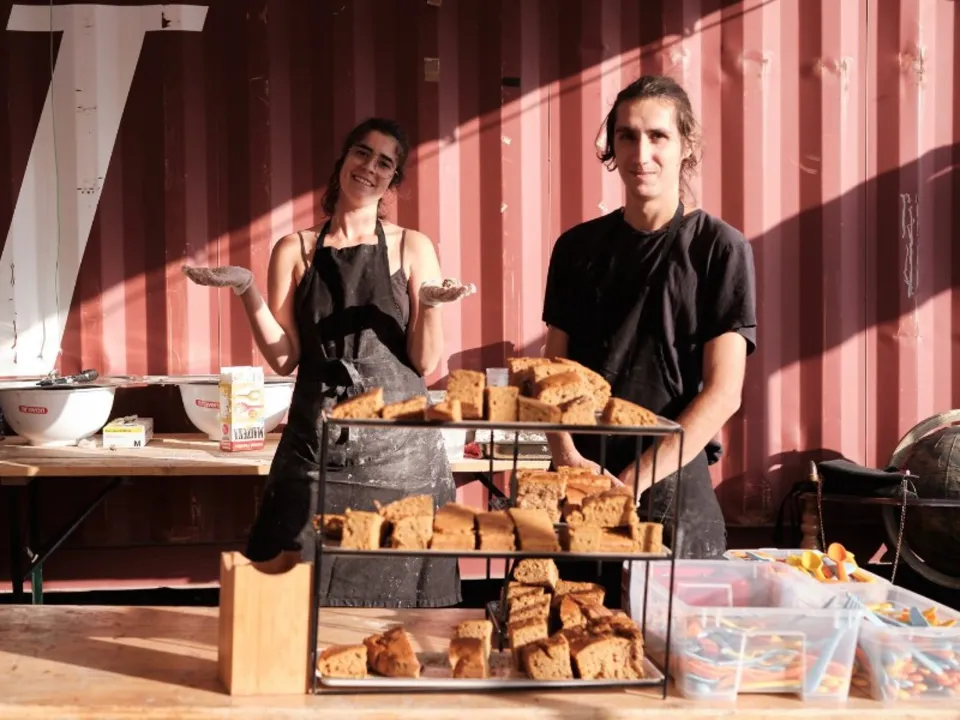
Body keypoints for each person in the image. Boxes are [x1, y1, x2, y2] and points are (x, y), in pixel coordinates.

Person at [183, 117, 475, 608]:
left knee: (403, 607)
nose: (370, 167)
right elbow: (284, 358)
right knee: (290, 596)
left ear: (393, 179)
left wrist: (430, 305)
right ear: (343, 159)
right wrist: (246, 290)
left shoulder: (412, 245)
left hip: (401, 458)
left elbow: (424, 360)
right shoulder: (294, 249)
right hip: (315, 448)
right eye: (362, 153)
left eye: (385, 163)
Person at [542, 75, 757, 560]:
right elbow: (550, 377)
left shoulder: (720, 249)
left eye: (658, 136)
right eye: (627, 136)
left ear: (687, 145)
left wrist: (633, 480)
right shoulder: (576, 248)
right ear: (612, 147)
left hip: (672, 487)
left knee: (672, 613)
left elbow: (724, 392)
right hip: (580, 482)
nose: (641, 154)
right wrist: (567, 457)